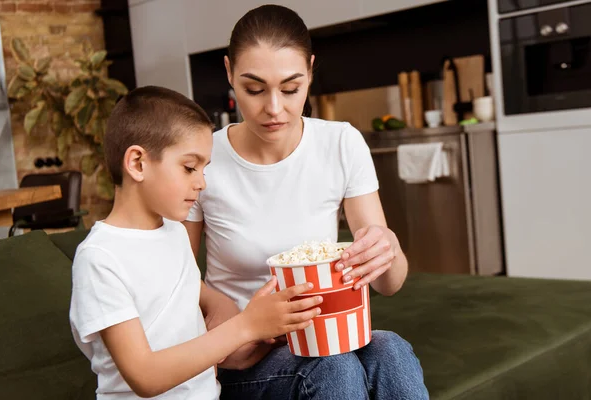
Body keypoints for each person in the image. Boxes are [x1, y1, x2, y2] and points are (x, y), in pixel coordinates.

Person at [183, 4, 429, 400]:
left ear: (311, 72)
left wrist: (388, 249)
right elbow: (173, 273)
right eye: (254, 88)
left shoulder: (340, 142)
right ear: (229, 72)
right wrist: (229, 316)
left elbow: (389, 282)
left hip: (325, 335)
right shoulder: (202, 158)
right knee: (332, 366)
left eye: (291, 88)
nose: (274, 108)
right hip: (247, 355)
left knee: (392, 350)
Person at [69, 86, 323, 399]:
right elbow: (145, 376)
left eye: (204, 169)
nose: (201, 182)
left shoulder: (174, 233)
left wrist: (257, 333)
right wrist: (246, 326)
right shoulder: (101, 257)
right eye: (190, 167)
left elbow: (188, 313)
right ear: (137, 163)